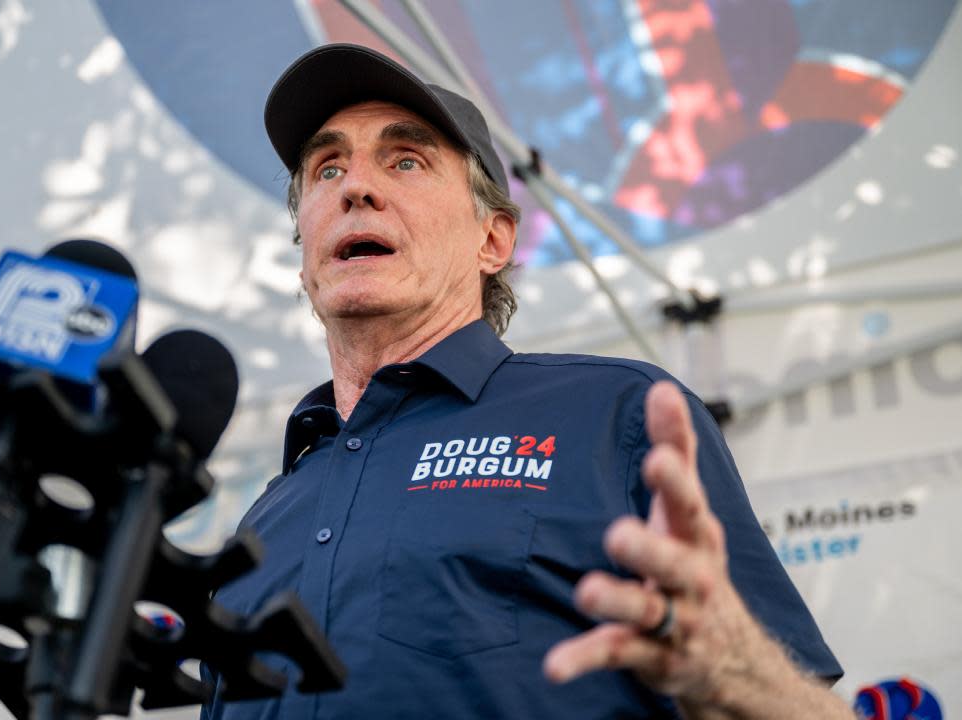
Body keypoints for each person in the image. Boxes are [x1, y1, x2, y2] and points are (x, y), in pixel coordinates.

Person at [202, 44, 852, 719]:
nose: (354, 187)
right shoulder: (264, 520)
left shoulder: (615, 419)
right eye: (326, 168)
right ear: (305, 250)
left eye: (405, 161)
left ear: (494, 241)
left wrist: (737, 674)